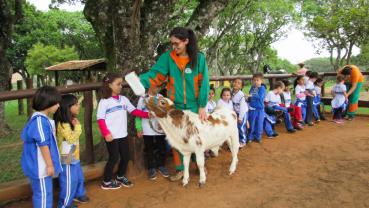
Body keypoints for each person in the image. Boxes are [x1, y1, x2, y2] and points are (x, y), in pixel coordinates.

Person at [139, 27, 210, 182]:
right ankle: (181, 169)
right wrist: (138, 81)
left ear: (186, 41)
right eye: (172, 44)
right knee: (176, 138)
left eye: (177, 43)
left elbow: (204, 82)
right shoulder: (167, 58)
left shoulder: (199, 58)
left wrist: (202, 105)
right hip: (175, 107)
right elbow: (155, 75)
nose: (174, 47)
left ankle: (200, 165)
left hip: (194, 106)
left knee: (196, 138)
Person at [97, 73, 149, 190]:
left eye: (121, 84)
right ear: (109, 85)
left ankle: (120, 176)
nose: (121, 86)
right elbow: (100, 119)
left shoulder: (124, 100)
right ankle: (106, 181)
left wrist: (148, 115)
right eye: (118, 84)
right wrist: (106, 133)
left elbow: (134, 111)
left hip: (123, 135)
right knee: (114, 157)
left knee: (126, 157)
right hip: (111, 136)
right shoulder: (104, 101)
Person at [20, 86, 63, 208]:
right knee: (43, 194)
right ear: (48, 103)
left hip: (40, 166)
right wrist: (50, 165)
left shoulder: (41, 119)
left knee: (43, 193)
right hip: (40, 167)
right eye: (56, 103)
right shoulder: (40, 121)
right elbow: (43, 145)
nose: (58, 106)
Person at [55, 94, 89, 207]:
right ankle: (64, 204)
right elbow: (70, 139)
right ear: (67, 107)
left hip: (74, 157)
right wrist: (78, 127)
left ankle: (78, 194)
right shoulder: (63, 123)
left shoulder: (71, 120)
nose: (78, 106)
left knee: (79, 177)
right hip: (67, 159)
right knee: (69, 182)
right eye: (75, 104)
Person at [135, 89, 170, 180]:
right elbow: (137, 114)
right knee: (149, 148)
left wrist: (163, 122)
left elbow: (165, 113)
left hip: (159, 129)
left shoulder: (161, 97)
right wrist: (139, 128)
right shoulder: (142, 98)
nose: (157, 87)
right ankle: (151, 168)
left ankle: (161, 165)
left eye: (158, 85)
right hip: (147, 129)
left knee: (161, 147)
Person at [247, 73, 266, 143]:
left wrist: (250, 96)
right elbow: (249, 97)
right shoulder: (252, 88)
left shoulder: (262, 88)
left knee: (259, 124)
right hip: (252, 109)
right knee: (252, 123)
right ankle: (250, 137)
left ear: (261, 81)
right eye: (254, 80)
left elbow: (260, 97)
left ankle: (258, 137)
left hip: (260, 110)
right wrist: (248, 98)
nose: (256, 82)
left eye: (257, 80)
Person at [232, 78, 249, 147]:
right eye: (235, 82)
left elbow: (242, 107)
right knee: (236, 127)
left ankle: (243, 141)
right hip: (236, 113)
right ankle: (238, 140)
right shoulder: (232, 93)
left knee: (241, 127)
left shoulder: (241, 95)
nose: (236, 83)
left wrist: (241, 118)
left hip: (243, 113)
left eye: (238, 83)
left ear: (241, 87)